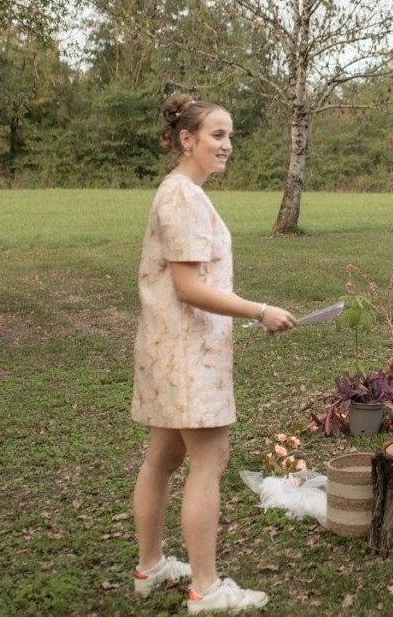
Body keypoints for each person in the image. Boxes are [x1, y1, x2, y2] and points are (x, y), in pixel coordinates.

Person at [131, 95, 297, 614]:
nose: (226, 145)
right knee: (209, 460)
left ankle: (151, 566)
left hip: (173, 349)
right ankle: (206, 588)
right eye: (216, 135)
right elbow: (187, 285)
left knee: (163, 458)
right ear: (188, 139)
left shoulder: (184, 192)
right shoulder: (182, 196)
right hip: (185, 353)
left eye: (230, 136)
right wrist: (259, 309)